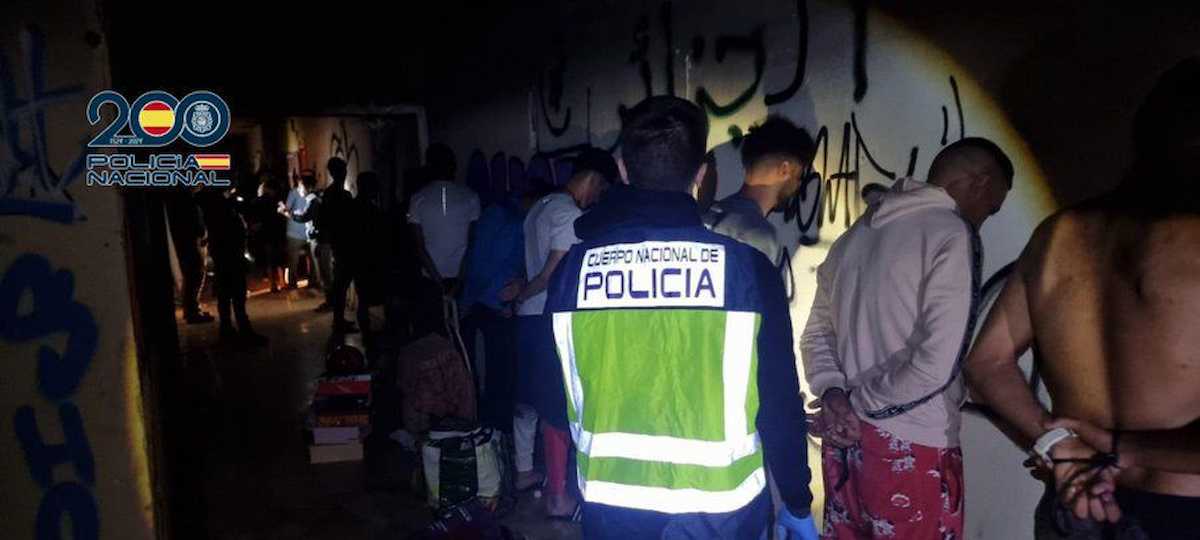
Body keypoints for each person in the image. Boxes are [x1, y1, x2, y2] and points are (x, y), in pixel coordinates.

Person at [543, 97, 817, 539]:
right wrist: (798, 501)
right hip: (721, 513)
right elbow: (779, 402)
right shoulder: (748, 271)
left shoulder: (573, 272)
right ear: (701, 175)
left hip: (613, 508)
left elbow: (553, 396)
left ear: (624, 169)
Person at [964, 58, 1200, 540]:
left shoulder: (1059, 235)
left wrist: (1063, 450)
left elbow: (985, 364)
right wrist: (1124, 448)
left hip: (1075, 504)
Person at [801, 137, 1013, 538]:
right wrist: (857, 406)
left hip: (842, 444)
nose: (986, 217)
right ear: (982, 183)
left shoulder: (854, 237)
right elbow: (936, 363)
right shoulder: (952, 232)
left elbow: (816, 333)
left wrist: (835, 397)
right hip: (914, 445)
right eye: (993, 207)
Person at [505, 148, 615, 519]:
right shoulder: (568, 213)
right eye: (600, 189)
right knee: (557, 407)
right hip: (548, 320)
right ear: (593, 180)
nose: (598, 198)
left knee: (529, 401)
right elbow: (553, 274)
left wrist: (520, 296)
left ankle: (523, 471)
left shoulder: (540, 205)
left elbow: (533, 262)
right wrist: (524, 292)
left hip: (527, 320)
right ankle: (557, 496)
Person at [457, 189, 529, 433]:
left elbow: (476, 261)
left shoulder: (491, 217)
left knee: (478, 370)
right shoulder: (514, 223)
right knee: (500, 371)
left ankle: (482, 427)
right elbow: (503, 264)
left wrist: (467, 298)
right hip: (498, 303)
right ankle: (497, 429)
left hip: (480, 300)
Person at [704, 116, 814, 266]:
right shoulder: (757, 235)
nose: (798, 184)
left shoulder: (708, 215)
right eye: (799, 176)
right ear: (784, 169)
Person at [195, 184, 268, 347]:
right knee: (236, 295)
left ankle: (228, 331)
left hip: (224, 256)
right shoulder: (223, 206)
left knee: (225, 296)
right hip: (230, 256)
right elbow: (233, 229)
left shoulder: (212, 205)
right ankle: (240, 331)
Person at [408, 144, 481, 294]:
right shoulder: (471, 197)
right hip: (463, 275)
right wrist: (460, 280)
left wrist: (438, 282)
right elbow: (473, 242)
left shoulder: (417, 199)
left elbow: (419, 246)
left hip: (430, 277)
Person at [317, 157, 360, 333]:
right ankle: (338, 321)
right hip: (344, 245)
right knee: (342, 284)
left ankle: (339, 320)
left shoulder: (330, 194)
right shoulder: (340, 195)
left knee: (340, 284)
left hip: (339, 244)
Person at [281, 171, 332, 310]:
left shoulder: (314, 200)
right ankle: (330, 301)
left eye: (301, 186)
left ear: (307, 187)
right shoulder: (314, 198)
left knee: (324, 271)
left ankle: (331, 302)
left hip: (319, 239)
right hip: (314, 237)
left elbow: (305, 216)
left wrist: (288, 213)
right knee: (322, 269)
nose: (299, 189)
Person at [165, 186, 213, 324]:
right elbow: (193, 221)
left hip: (190, 241)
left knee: (193, 275)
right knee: (194, 274)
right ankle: (192, 310)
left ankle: (192, 309)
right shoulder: (185, 200)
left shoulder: (183, 199)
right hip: (190, 241)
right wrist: (201, 233)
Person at [281, 173, 312, 289]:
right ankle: (312, 281)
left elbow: (287, 209)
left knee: (293, 260)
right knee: (311, 259)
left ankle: (293, 283)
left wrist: (284, 210)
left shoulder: (293, 192)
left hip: (295, 231)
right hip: (308, 231)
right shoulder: (312, 193)